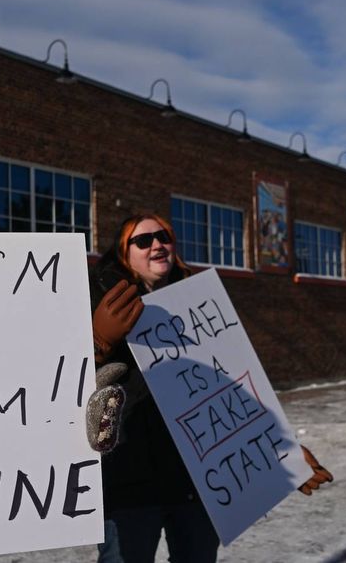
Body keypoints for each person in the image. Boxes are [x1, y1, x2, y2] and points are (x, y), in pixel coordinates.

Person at [89, 213, 332, 563]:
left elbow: (234, 390)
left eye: (164, 236)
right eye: (143, 240)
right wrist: (96, 343)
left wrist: (281, 449)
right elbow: (57, 382)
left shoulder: (201, 307)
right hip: (128, 478)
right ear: (124, 253)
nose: (157, 244)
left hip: (196, 482)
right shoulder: (98, 300)